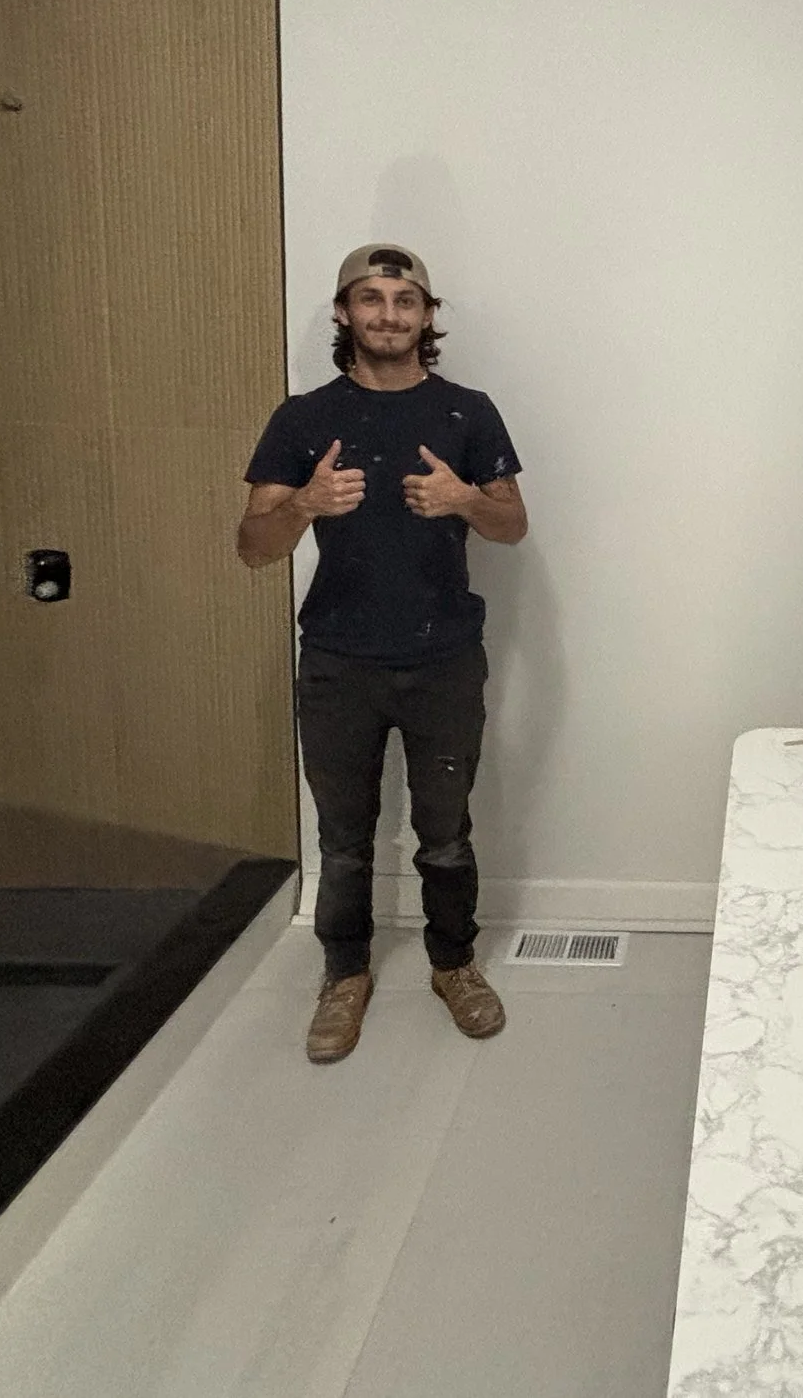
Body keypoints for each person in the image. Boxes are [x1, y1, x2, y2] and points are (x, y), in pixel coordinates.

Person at [236, 243, 529, 1063]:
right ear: (343, 312)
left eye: (406, 301)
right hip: (338, 660)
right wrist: (303, 501)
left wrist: (465, 498)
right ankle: (344, 973)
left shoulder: (468, 412)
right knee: (344, 835)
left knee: (446, 830)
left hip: (443, 659)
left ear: (428, 317)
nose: (389, 315)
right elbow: (252, 547)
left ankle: (453, 962)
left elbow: (513, 525)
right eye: (371, 299)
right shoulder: (302, 418)